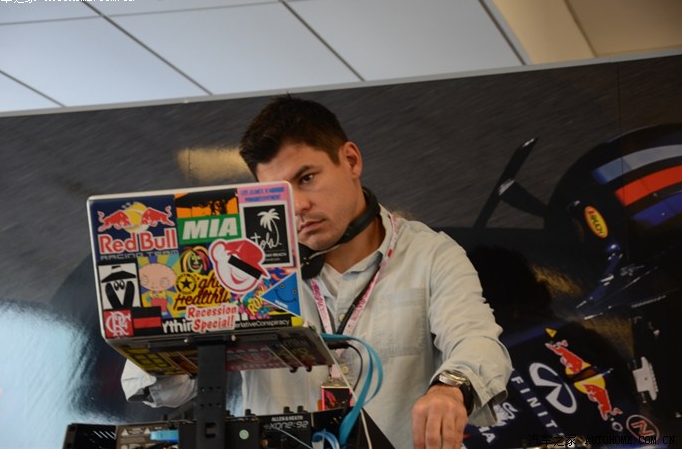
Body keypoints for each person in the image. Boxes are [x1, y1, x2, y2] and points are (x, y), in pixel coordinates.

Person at [122, 94, 512, 449]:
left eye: (307, 178)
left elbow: (476, 340)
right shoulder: (240, 267)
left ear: (351, 160)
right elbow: (170, 391)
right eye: (278, 192)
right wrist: (172, 320)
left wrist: (451, 388)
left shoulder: (431, 254)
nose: (297, 206)